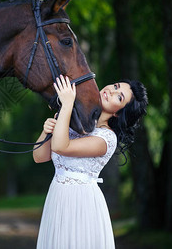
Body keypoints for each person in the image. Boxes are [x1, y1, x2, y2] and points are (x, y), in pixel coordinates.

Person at [34, 75, 148, 249]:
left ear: (118, 112)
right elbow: (39, 157)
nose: (112, 90)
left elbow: (60, 146)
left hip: (81, 205)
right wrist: (46, 131)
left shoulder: (106, 139)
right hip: (57, 199)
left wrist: (66, 104)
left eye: (119, 96)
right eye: (116, 85)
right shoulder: (75, 120)